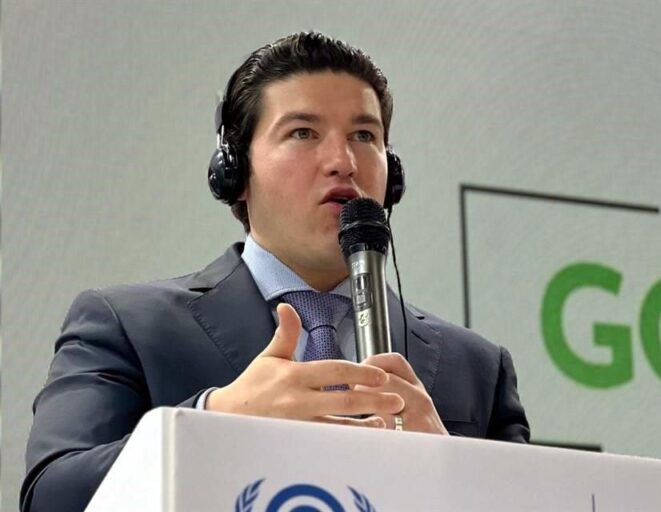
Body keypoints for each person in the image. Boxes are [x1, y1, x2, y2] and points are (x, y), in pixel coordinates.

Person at [21, 32, 529, 512]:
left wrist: (454, 471)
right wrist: (216, 418)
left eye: (364, 135)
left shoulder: (476, 367)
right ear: (235, 172)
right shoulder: (127, 325)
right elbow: (52, 495)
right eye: (303, 132)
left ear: (390, 175)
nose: (343, 161)